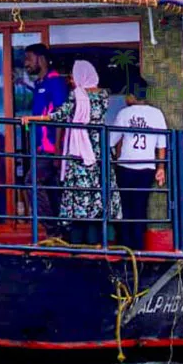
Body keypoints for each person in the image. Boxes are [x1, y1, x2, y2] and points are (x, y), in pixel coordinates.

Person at [24, 59, 121, 245]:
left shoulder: (76, 96)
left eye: (73, 77)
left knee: (79, 192)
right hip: (98, 148)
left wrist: (33, 118)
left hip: (79, 151)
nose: (71, 80)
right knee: (97, 190)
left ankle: (78, 239)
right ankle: (100, 238)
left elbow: (58, 115)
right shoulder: (104, 95)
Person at [109, 76, 168, 250]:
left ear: (132, 96)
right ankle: (139, 248)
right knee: (140, 207)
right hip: (147, 167)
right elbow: (162, 144)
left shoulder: (124, 113)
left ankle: (125, 247)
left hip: (125, 166)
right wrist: (161, 167)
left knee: (125, 207)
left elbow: (111, 140)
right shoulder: (156, 114)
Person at [22, 43, 69, 228]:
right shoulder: (39, 83)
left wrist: (57, 150)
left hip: (50, 148)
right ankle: (59, 230)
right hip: (40, 147)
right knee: (51, 190)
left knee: (31, 182)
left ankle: (52, 229)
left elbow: (60, 116)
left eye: (29, 59)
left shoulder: (55, 82)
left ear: (41, 59)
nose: (26, 63)